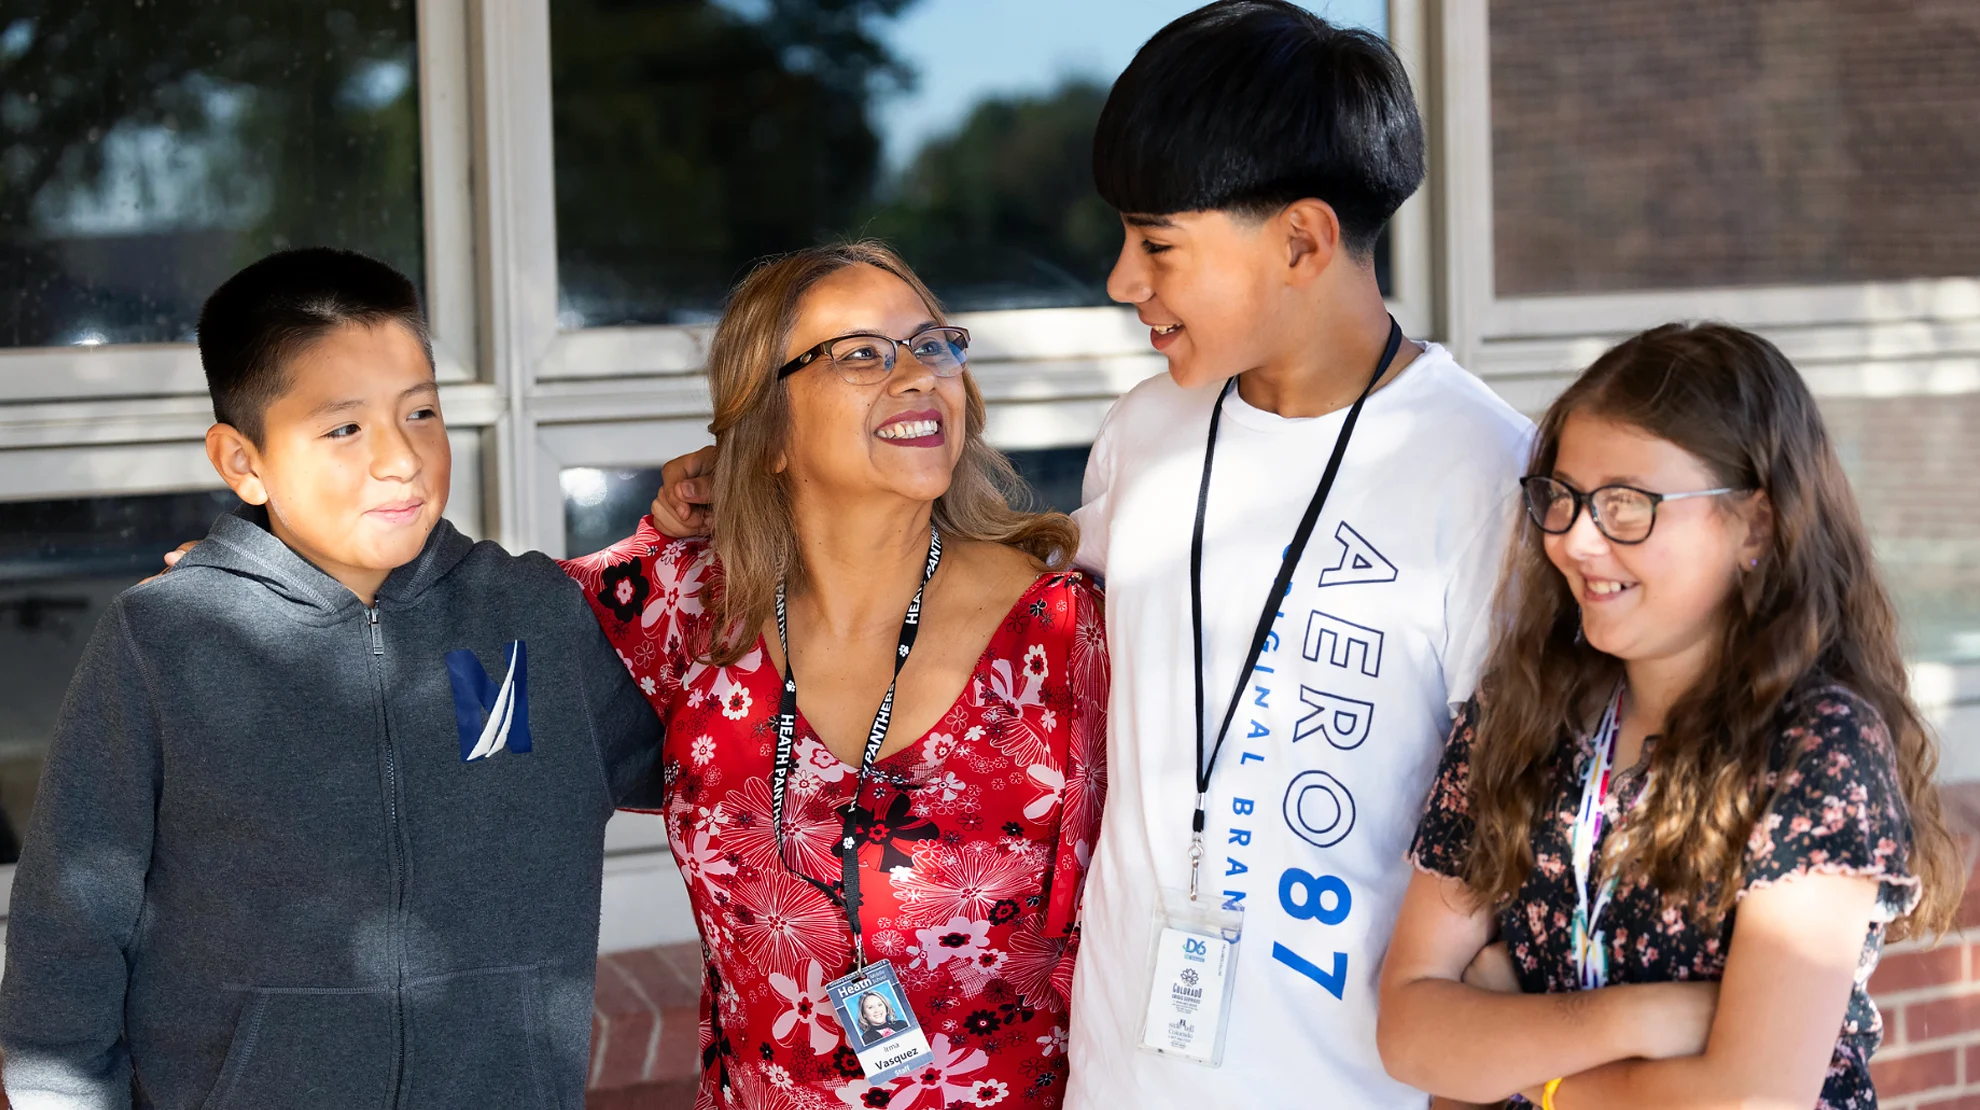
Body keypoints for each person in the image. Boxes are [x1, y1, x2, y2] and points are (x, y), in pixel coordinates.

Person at [646, 6, 1528, 1106]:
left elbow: (1517, 859)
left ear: (1303, 241)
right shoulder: (1146, 433)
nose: (1121, 280)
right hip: (1117, 1079)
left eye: (1157, 244)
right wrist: (749, 469)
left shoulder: (1489, 478)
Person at [0, 249, 663, 1108]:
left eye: (421, 412)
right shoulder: (165, 640)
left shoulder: (533, 617)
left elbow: (715, 762)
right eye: (344, 428)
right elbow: (71, 930)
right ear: (243, 462)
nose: (401, 459)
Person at [559, 242, 1107, 1108]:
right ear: (768, 428)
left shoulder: (1062, 635)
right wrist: (668, 531)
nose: (918, 375)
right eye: (860, 354)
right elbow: (468, 638)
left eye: (933, 346)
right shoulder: (698, 606)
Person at [1376, 323, 1961, 1109]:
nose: (1577, 540)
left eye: (1627, 505)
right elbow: (1411, 1034)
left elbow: (1748, 1100)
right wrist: (1646, 1018)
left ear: (1755, 525)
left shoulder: (1813, 749)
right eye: (1565, 498)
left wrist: (1523, 1066)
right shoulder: (1519, 710)